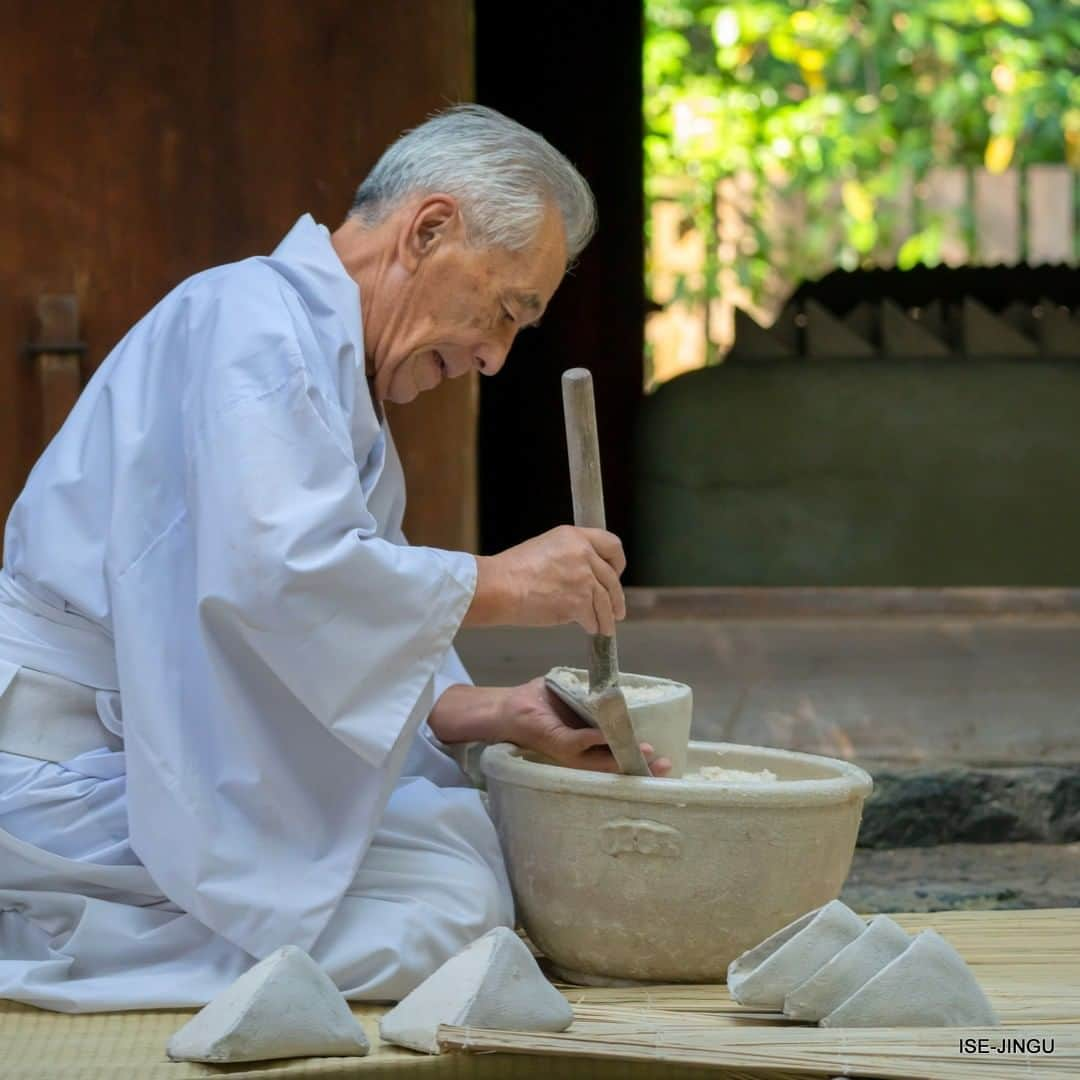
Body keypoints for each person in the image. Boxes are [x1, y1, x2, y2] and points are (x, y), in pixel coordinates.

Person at [0, 105, 668, 1013]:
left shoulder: (318, 363)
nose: (495, 358)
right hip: (73, 772)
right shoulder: (248, 323)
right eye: (506, 312)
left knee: (455, 840)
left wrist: (488, 710)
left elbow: (309, 622)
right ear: (430, 229)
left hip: (154, 744)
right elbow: (278, 577)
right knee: (451, 912)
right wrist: (502, 580)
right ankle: (46, 922)